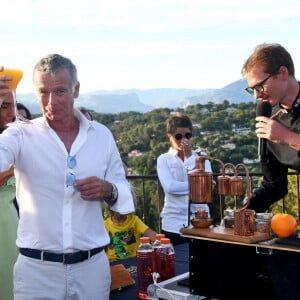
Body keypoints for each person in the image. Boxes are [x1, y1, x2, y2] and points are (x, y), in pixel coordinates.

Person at [0, 54, 134, 300]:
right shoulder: (19, 135)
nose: (51, 101)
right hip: (35, 273)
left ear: (76, 90)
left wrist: (109, 190)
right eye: (43, 92)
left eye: (60, 91)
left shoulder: (101, 135)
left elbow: (124, 193)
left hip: (92, 269)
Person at [241, 43, 300, 299]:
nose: (256, 95)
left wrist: (288, 137)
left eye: (260, 86)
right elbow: (275, 183)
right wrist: (245, 211)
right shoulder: (267, 112)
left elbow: (287, 139)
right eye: (251, 89)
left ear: (283, 73)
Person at [157, 112, 212, 245]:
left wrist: (189, 157)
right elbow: (170, 187)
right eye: (178, 136)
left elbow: (207, 186)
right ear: (169, 136)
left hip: (200, 220)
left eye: (187, 135)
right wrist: (198, 186)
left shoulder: (201, 157)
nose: (183, 140)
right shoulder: (163, 159)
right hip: (173, 222)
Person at [0, 91, 19, 300]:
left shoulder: (13, 138)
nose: (11, 113)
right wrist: (10, 172)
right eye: (4, 106)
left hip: (13, 223)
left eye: (13, 105)